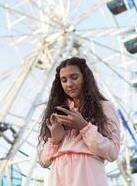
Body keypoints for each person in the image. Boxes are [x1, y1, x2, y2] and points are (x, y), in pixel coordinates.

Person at [38, 57, 121, 186]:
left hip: (86, 173)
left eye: (74, 77)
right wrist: (55, 139)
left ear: (85, 78)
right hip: (58, 174)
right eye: (64, 80)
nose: (69, 84)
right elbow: (44, 161)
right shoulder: (58, 111)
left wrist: (84, 126)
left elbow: (112, 152)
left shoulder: (104, 107)